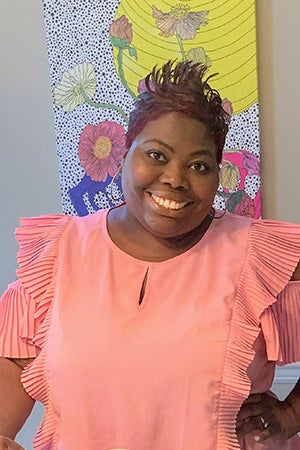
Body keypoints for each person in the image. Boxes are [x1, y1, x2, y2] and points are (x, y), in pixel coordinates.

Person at [0, 60, 300, 450]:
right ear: (126, 153)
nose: (175, 178)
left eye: (199, 165)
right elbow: (16, 359)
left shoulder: (259, 254)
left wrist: (292, 414)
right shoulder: (59, 252)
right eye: (157, 155)